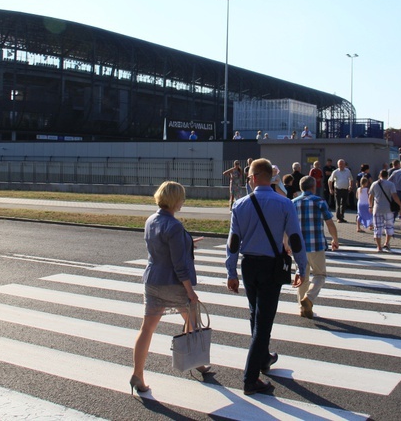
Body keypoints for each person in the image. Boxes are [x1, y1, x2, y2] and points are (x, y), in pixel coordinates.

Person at [225, 158, 307, 396]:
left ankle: (263, 358)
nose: (248, 181)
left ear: (254, 177)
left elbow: (233, 243)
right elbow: (294, 239)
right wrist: (302, 267)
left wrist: (231, 271)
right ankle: (250, 378)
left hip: (249, 264)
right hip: (272, 265)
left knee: (255, 312)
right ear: (270, 177)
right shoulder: (285, 203)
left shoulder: (239, 205)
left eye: (249, 177)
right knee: (264, 320)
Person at [131, 181, 208, 395]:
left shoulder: (151, 220)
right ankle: (196, 362)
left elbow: (162, 247)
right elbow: (179, 265)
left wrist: (187, 242)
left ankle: (137, 373)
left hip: (152, 280)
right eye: (182, 198)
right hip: (173, 283)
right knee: (192, 321)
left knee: (147, 328)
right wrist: (190, 291)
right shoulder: (174, 225)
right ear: (175, 200)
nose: (183, 202)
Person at [292, 176, 339, 319]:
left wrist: (286, 243)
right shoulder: (319, 201)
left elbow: (287, 225)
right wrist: (335, 239)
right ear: (313, 187)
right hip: (316, 244)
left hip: (298, 246)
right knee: (320, 275)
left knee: (302, 277)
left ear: (301, 188)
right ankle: (309, 298)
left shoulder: (293, 203)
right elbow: (330, 222)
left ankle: (302, 308)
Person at [368, 169, 401, 252]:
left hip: (377, 208)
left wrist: (370, 206)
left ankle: (379, 246)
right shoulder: (391, 184)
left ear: (379, 175)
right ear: (387, 176)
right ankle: (386, 243)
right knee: (389, 227)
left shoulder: (374, 184)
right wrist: (400, 205)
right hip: (388, 209)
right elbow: (394, 196)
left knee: (377, 228)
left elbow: (370, 196)